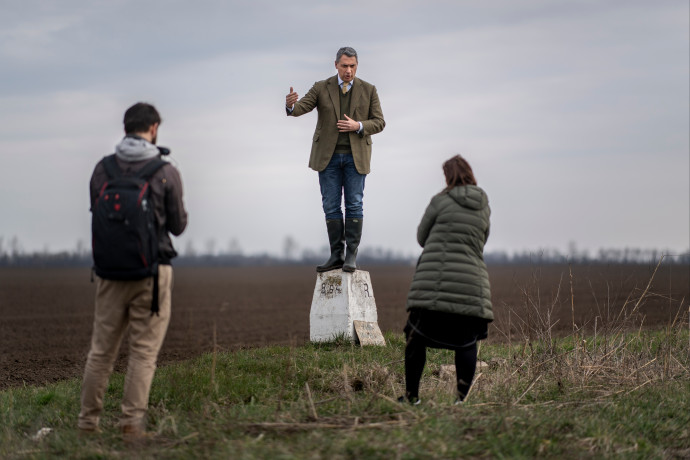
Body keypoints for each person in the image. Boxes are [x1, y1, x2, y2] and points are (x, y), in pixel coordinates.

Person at [78, 102, 188, 438]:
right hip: (152, 276)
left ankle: (87, 424)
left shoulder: (102, 169)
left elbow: (95, 210)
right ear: (153, 128)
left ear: (126, 128)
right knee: (142, 351)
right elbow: (178, 225)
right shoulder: (165, 171)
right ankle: (130, 424)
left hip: (109, 274)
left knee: (101, 351)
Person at [401, 155, 492, 405]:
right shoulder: (483, 204)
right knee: (467, 342)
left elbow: (422, 237)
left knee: (414, 337)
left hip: (434, 283)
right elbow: (482, 239)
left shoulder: (440, 201)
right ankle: (460, 401)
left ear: (448, 176)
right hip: (472, 283)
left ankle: (412, 398)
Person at [286, 46, 385, 273]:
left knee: (354, 204)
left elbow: (379, 122)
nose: (348, 71)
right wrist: (291, 105)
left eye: (352, 66)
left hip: (355, 157)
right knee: (331, 206)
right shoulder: (321, 87)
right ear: (336, 65)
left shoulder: (369, 90)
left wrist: (357, 125)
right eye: (344, 66)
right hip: (328, 158)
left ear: (356, 66)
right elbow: (301, 108)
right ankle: (336, 255)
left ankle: (351, 255)